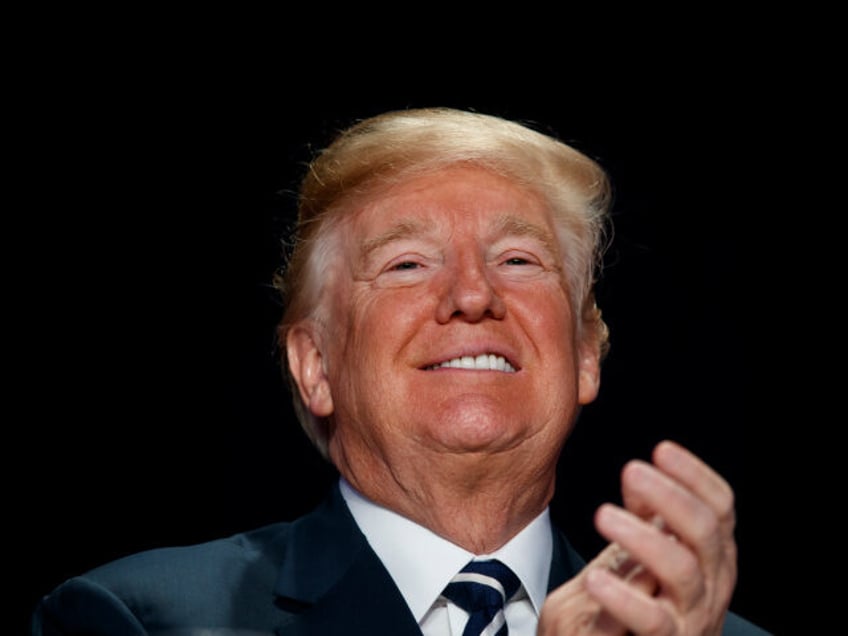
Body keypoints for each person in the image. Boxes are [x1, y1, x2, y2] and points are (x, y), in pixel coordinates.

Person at [30, 107, 771, 635]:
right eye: (407, 264)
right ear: (315, 367)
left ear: (585, 354)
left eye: (518, 260)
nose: (474, 295)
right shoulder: (134, 618)